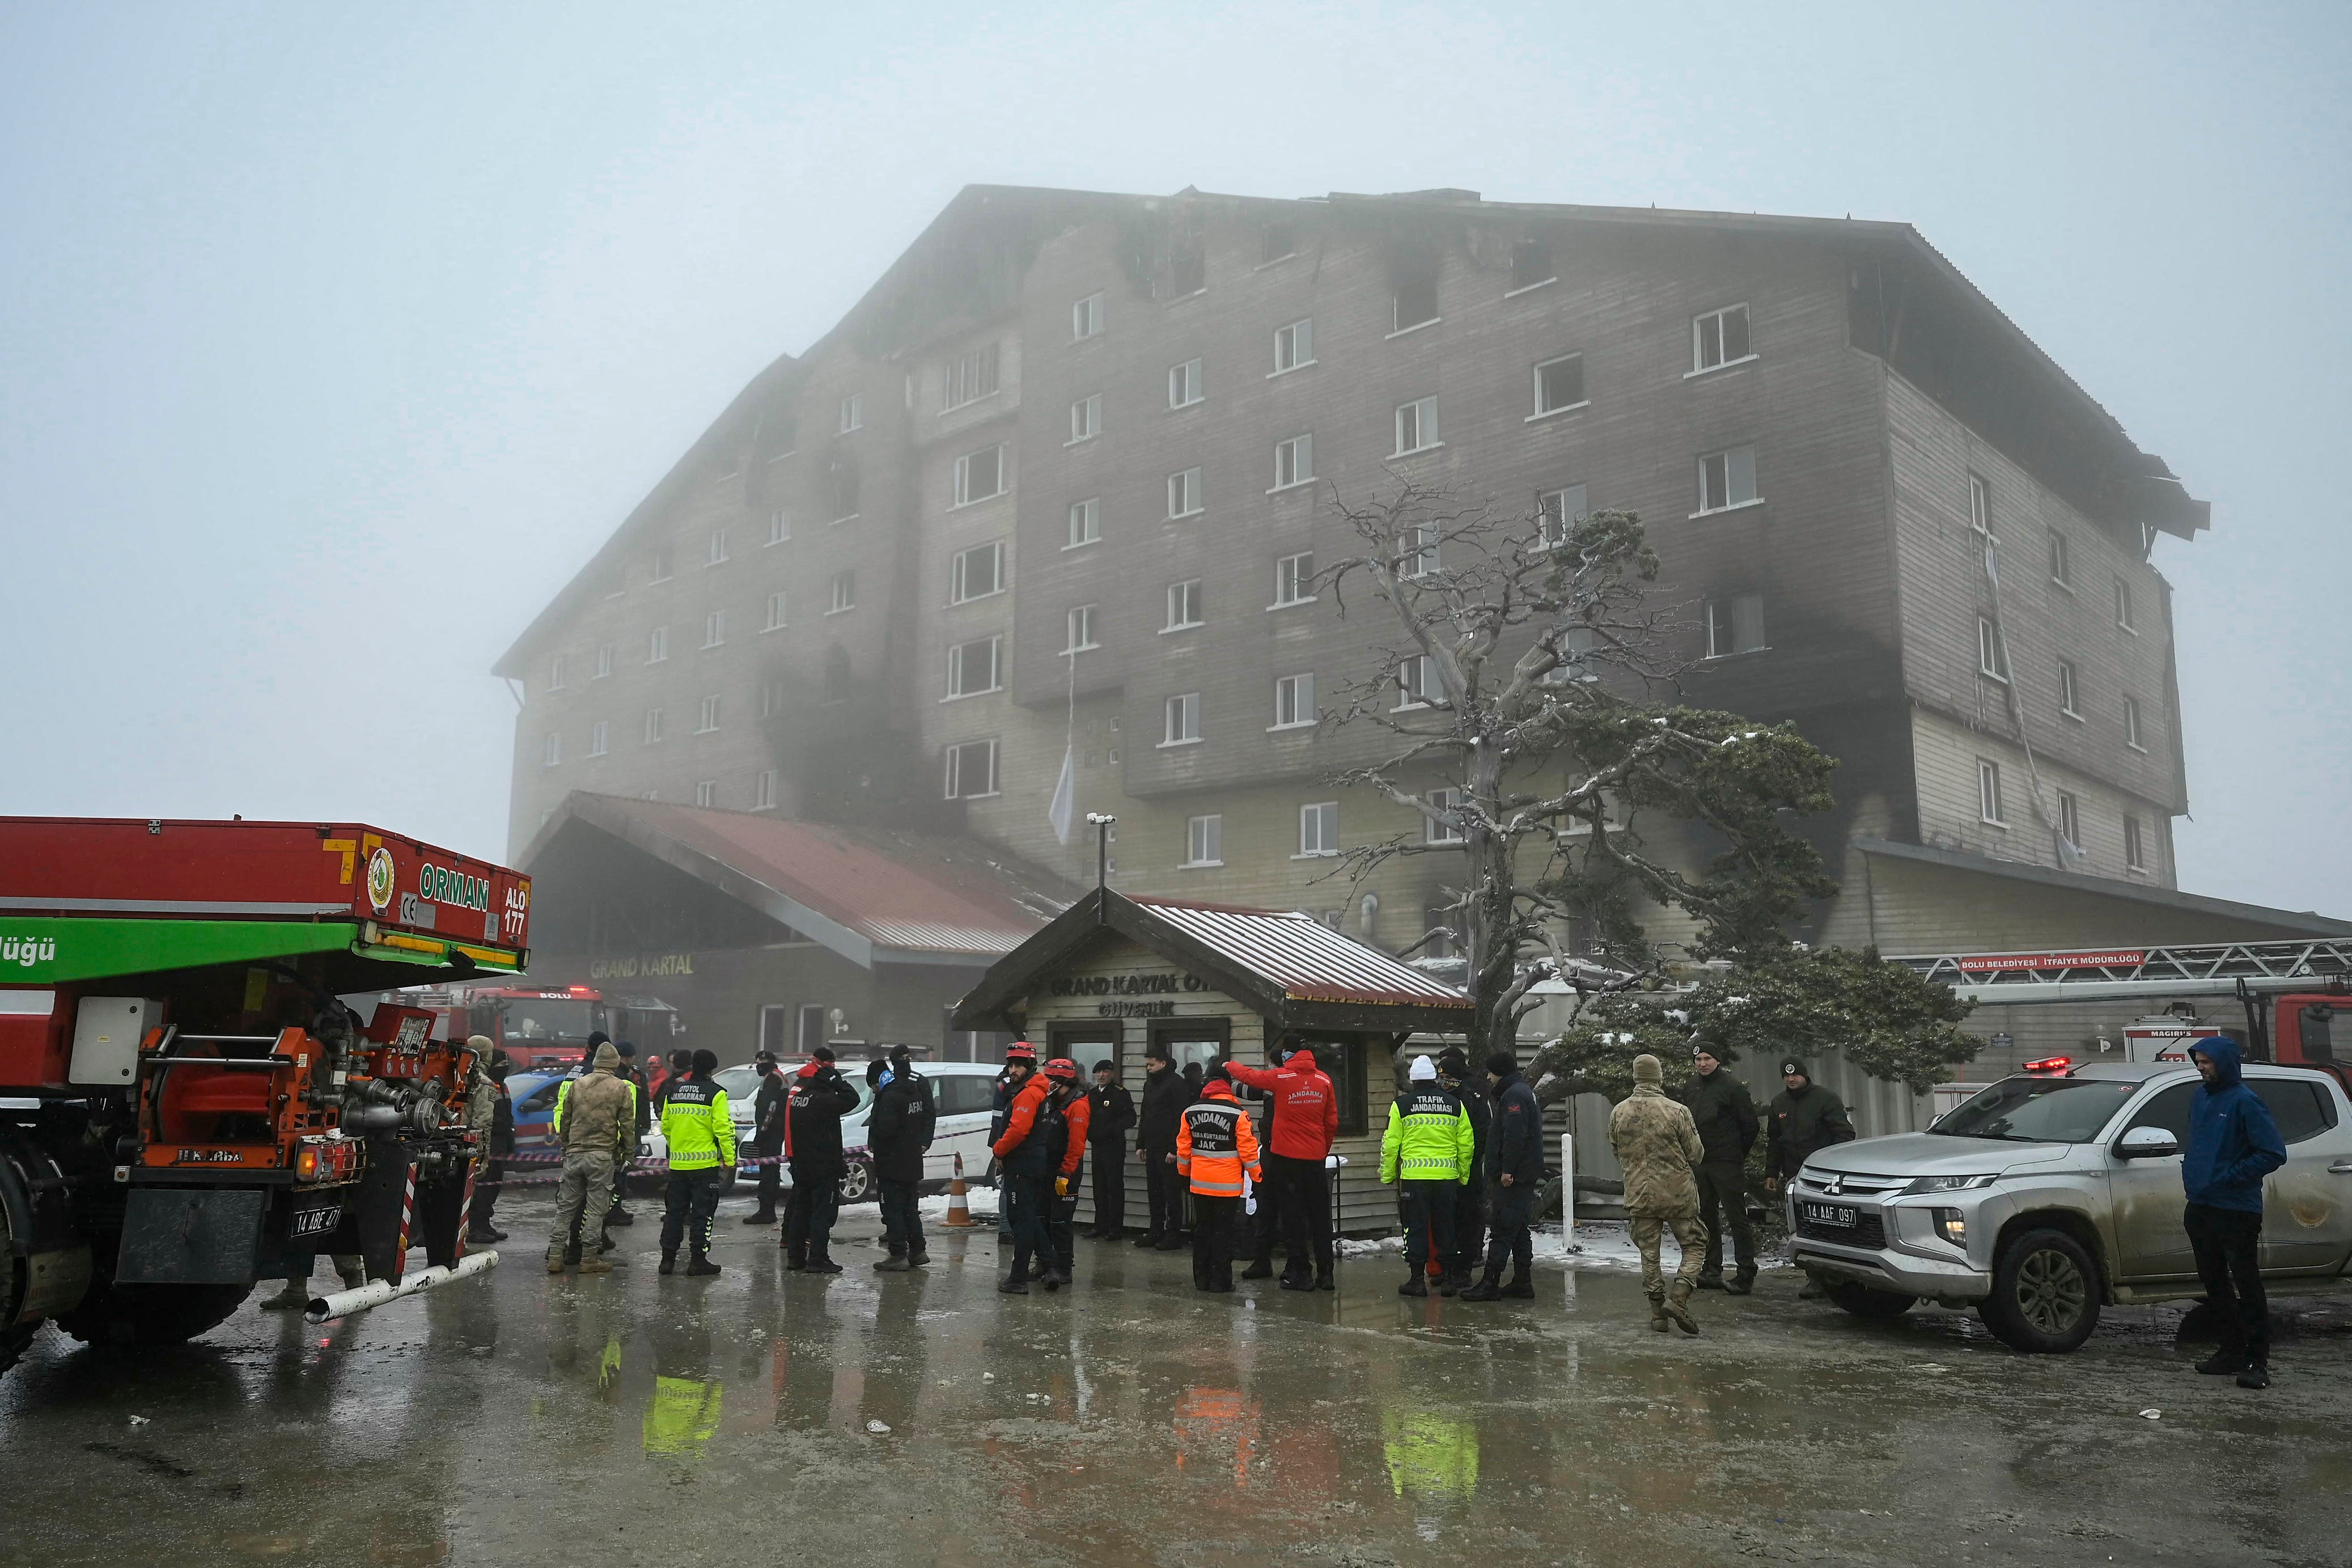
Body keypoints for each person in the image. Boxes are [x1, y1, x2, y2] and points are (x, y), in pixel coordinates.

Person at [2181, 1036, 2287, 1389]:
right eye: (2198, 1061)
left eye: (2207, 1062)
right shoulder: (2199, 1097)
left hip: (2237, 1209)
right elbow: (2199, 1144)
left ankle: (2258, 1361)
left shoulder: (2245, 1101)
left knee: (2246, 1282)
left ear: (2224, 1063)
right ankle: (2231, 1351)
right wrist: (2196, 1177)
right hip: (2201, 1205)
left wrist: (2228, 1178)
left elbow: (2272, 1153)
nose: (2200, 1067)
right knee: (2214, 1283)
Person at [1227, 1039, 1338, 1291]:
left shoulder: (1282, 1076)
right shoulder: (1325, 1081)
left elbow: (1251, 1077)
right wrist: (1322, 1149)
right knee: (1320, 1218)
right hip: (1315, 1159)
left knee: (1294, 1217)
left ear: (1289, 1056)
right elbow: (1331, 1122)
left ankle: (1301, 1273)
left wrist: (1229, 1065)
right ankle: (1327, 1274)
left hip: (1286, 1157)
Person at [1611, 1053, 1706, 1334]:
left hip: (1640, 1192)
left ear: (1635, 1077)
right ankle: (1678, 1298)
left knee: (1649, 1253)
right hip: (1679, 1193)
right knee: (1695, 1244)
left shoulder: (1619, 1112)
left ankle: (1657, 1315)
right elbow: (1696, 1154)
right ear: (1660, 1077)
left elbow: (1616, 1150)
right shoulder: (1677, 1111)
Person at [1379, 1055, 1475, 1298]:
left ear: (1413, 1079)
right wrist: (1463, 1176)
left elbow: (1391, 1145)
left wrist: (1388, 1174)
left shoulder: (1402, 1105)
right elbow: (1467, 1144)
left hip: (1414, 1178)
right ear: (1434, 1078)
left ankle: (1416, 1280)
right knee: (1446, 1226)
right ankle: (1450, 1280)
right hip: (1446, 1178)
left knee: (1416, 1227)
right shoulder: (1454, 1104)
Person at [1764, 1057, 1855, 1299]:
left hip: (1825, 1178)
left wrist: (1832, 1168)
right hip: (1795, 1176)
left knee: (1830, 1226)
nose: (1791, 1079)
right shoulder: (1779, 1103)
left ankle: (1840, 1277)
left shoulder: (1825, 1099)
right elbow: (1774, 1141)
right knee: (1804, 1228)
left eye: (1795, 1075)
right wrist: (1771, 1172)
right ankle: (1814, 1278)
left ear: (1805, 1076)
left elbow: (1845, 1135)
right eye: (1786, 1076)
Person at [1461, 1049, 1541, 1302]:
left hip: (1514, 1176)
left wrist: (1507, 1169)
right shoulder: (1520, 1090)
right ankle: (1522, 1281)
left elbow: (1515, 1134)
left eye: (1490, 1071)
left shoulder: (1514, 1095)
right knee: (1518, 1228)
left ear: (1499, 1072)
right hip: (1523, 1173)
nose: (1488, 1076)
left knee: (1503, 1226)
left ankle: (1490, 1282)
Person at [548, 1042, 633, 1275]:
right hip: (602, 1156)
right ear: (615, 1065)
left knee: (565, 1209)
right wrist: (628, 1152)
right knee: (596, 1211)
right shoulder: (621, 1087)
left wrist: (566, 1145)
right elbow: (627, 1124)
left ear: (596, 1063)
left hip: (575, 1154)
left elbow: (565, 1117)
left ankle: (555, 1257)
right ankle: (589, 1259)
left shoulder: (578, 1085)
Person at [1680, 1045, 1760, 1294]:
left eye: (1707, 1059)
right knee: (1706, 1217)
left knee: (1737, 1218)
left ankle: (1745, 1273)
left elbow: (1751, 1126)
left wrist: (1736, 1154)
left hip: (1726, 1163)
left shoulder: (1732, 1088)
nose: (1702, 1064)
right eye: (1698, 1059)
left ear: (1718, 1061)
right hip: (1701, 1163)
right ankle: (1711, 1269)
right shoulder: (1691, 1086)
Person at [1177, 1064, 1262, 1292]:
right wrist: (1258, 1178)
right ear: (1227, 1086)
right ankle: (1220, 1282)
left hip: (1199, 1184)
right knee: (1223, 1233)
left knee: (1203, 1230)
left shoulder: (1190, 1111)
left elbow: (1183, 1150)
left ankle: (1202, 1280)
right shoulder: (1238, 1114)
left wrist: (1184, 1176)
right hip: (1228, 1187)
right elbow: (1249, 1152)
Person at [657, 1048, 735, 1277]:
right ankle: (698, 1261)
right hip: (705, 1168)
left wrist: (678, 1148)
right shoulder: (716, 1093)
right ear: (712, 1069)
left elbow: (666, 1127)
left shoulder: (675, 1092)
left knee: (674, 1214)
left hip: (678, 1167)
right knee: (703, 1214)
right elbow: (724, 1129)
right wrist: (729, 1158)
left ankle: (667, 1261)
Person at [781, 1046, 858, 1274]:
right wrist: (838, 1083)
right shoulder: (824, 1099)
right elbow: (852, 1099)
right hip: (822, 1164)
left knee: (801, 1210)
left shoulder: (798, 1094)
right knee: (823, 1213)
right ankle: (818, 1258)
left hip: (801, 1161)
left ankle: (795, 1257)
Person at [989, 1042, 1053, 1293]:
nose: (1013, 1070)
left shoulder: (1028, 1094)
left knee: (1022, 1221)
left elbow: (1018, 1131)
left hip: (1023, 1164)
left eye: (1019, 1066)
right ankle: (1050, 1265)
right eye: (1011, 1065)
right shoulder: (1034, 1091)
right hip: (1031, 1162)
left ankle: (1018, 1278)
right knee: (1027, 1218)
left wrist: (998, 1150)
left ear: (1030, 1067)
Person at [866, 1047, 937, 1271]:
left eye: (874, 1086)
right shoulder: (913, 1091)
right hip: (912, 1160)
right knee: (909, 1209)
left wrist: (874, 1134)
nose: (875, 1090)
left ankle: (897, 1254)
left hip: (892, 1163)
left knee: (892, 1210)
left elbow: (886, 1130)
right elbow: (922, 1119)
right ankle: (918, 1250)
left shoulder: (890, 1097)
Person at [1437, 1047, 1491, 1295]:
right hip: (1445, 1171)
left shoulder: (1473, 1097)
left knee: (1467, 1219)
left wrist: (1467, 1163)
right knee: (1449, 1221)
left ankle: (1463, 1270)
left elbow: (1481, 1133)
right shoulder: (1440, 1097)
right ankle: (1449, 1269)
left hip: (1467, 1170)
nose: (1444, 1082)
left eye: (1448, 1078)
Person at [1135, 1044, 1194, 1251]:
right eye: (1147, 1065)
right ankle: (1156, 1231)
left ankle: (1173, 1234)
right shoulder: (1150, 1084)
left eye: (1151, 1065)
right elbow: (1146, 1114)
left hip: (1168, 1148)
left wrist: (1175, 1149)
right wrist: (1141, 1143)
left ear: (1163, 1063)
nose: (1148, 1068)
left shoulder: (1177, 1085)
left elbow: (1182, 1119)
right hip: (1152, 1145)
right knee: (1155, 1192)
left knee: (1171, 1193)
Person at [1040, 1057, 1091, 1287]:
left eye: (1050, 1079)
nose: (1046, 1083)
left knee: (1061, 1222)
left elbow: (1077, 1145)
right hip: (1047, 1167)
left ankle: (1064, 1268)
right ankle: (1046, 1263)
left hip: (1065, 1171)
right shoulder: (1053, 1101)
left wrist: (1065, 1173)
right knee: (1044, 1219)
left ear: (1061, 1081)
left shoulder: (1077, 1105)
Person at [467, 1042, 515, 1245]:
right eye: (502, 1064)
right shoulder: (484, 1085)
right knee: (483, 1186)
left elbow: (508, 1115)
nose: (505, 1068)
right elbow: (482, 1120)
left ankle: (485, 1223)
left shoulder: (502, 1086)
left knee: (494, 1185)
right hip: (489, 1142)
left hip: (501, 1143)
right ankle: (476, 1227)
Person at [1084, 1060, 1136, 1239]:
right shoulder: (1091, 1094)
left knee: (1114, 1188)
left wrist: (1112, 1129)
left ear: (1112, 1073)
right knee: (1099, 1187)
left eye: (1105, 1072)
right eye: (1098, 1072)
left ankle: (1115, 1228)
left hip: (1113, 1147)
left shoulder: (1120, 1094)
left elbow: (1131, 1118)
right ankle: (1100, 1225)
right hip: (1097, 1146)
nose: (1101, 1076)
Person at [742, 1051, 787, 1226]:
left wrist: (761, 1132)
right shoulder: (774, 1077)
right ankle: (767, 1210)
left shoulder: (773, 1080)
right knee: (770, 1172)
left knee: (768, 1173)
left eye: (760, 1064)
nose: (758, 1067)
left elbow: (771, 1108)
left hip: (771, 1133)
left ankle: (766, 1211)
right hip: (774, 1132)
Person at [605, 1040, 646, 1229]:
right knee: (618, 1178)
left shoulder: (623, 1074)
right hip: (622, 1134)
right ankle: (613, 1211)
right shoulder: (623, 1077)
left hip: (618, 1132)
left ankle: (616, 1208)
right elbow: (629, 1111)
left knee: (620, 1176)